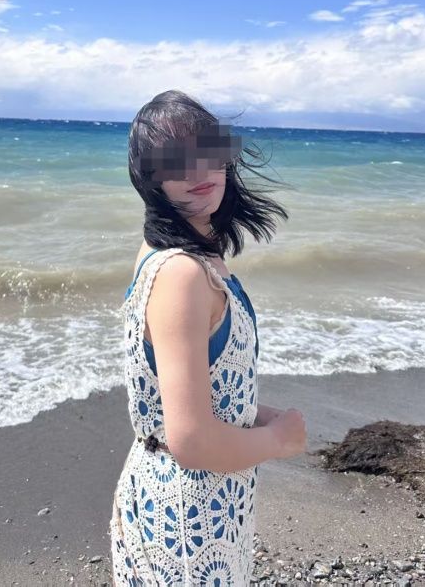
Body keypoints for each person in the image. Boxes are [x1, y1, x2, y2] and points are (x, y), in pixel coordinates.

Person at [109, 89, 307, 585]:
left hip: (197, 504)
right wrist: (276, 440)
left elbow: (188, 393)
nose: (197, 170)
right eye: (175, 161)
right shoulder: (180, 272)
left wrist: (255, 412)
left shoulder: (180, 254)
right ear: (150, 178)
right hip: (186, 515)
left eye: (207, 152)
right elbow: (192, 441)